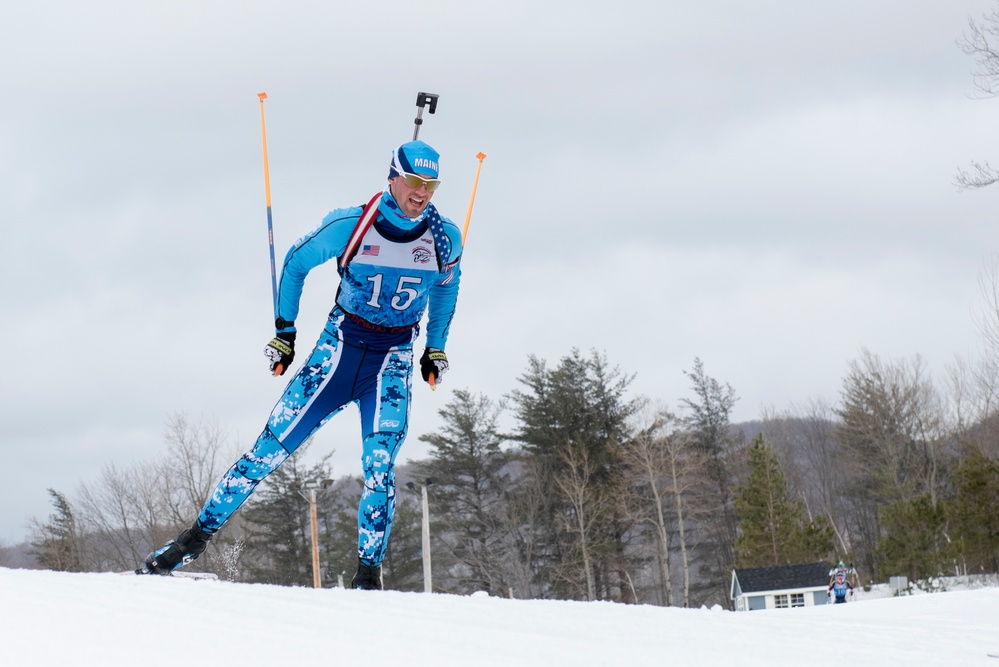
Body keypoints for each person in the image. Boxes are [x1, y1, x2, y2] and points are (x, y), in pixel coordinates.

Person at [138, 139, 463, 590]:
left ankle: (368, 577)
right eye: (413, 182)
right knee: (266, 453)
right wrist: (285, 333)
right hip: (339, 353)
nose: (421, 193)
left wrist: (436, 347)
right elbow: (295, 262)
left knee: (380, 466)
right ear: (392, 179)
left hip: (392, 362)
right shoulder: (352, 224)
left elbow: (446, 289)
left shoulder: (444, 237)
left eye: (431, 185)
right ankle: (191, 541)